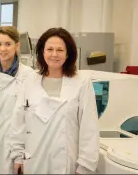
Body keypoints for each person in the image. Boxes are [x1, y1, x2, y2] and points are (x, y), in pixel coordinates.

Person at [10, 27, 99, 174]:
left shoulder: (81, 82)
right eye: (49, 49)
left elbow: (89, 128)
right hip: (34, 159)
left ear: (68, 54)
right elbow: (19, 121)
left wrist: (85, 167)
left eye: (60, 50)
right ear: (42, 52)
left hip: (65, 162)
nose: (54, 54)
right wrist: (17, 156)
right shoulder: (30, 80)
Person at [0, 26, 33, 174]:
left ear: (17, 45)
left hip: (16, 145)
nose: (3, 49)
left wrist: (20, 155)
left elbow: (29, 117)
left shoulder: (29, 76)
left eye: (8, 44)